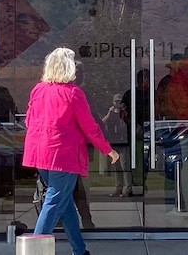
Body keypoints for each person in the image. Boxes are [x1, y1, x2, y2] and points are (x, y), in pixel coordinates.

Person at [23, 48, 118, 255]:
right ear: (69, 68)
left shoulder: (38, 90)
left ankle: (80, 250)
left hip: (40, 156)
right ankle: (34, 251)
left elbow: (29, 120)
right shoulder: (73, 93)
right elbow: (90, 126)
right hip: (62, 156)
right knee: (55, 201)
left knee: (64, 204)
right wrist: (108, 150)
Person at [102, 93, 129, 196]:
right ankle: (118, 188)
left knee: (124, 165)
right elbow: (102, 122)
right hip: (114, 141)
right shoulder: (111, 113)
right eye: (116, 102)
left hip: (123, 142)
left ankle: (127, 188)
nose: (118, 104)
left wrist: (123, 112)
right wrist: (110, 112)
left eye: (119, 101)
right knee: (116, 166)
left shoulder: (125, 112)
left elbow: (128, 123)